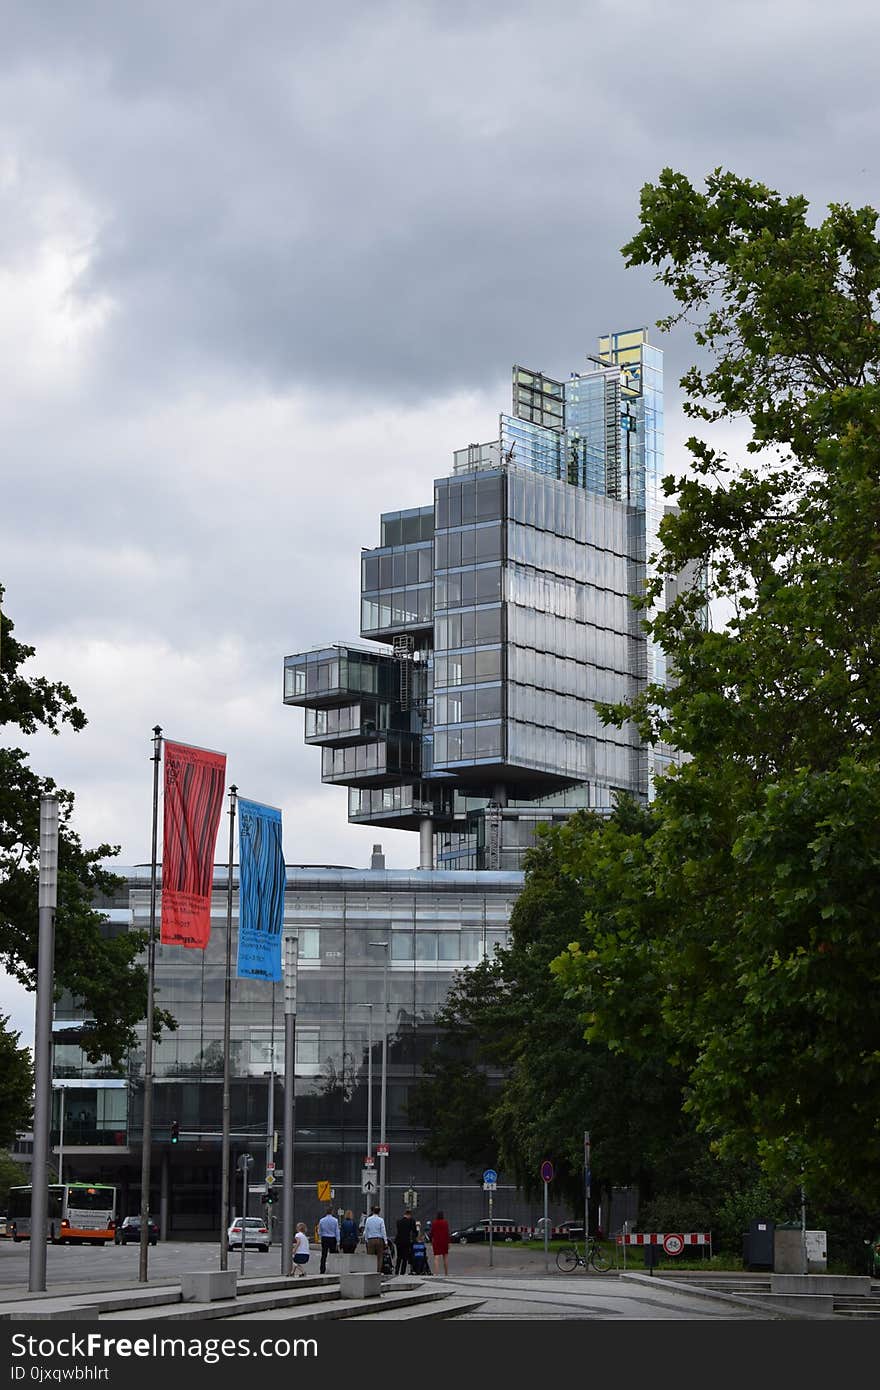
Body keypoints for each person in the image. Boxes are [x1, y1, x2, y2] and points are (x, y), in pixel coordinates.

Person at [362, 1203, 388, 1274]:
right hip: (379, 1240)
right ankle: (378, 1271)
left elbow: (366, 1230)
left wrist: (366, 1240)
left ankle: (371, 1271)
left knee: (370, 1257)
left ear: (372, 1211)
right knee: (380, 1257)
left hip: (371, 1239)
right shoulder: (381, 1220)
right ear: (379, 1212)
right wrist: (385, 1241)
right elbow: (383, 1231)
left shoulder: (368, 1220)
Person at [317, 1205, 340, 1273]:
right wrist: (338, 1241)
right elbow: (337, 1231)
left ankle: (322, 1269)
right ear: (332, 1212)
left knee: (324, 1254)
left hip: (324, 1238)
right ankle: (333, 1268)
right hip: (332, 1238)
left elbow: (319, 1231)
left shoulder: (322, 1220)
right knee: (333, 1254)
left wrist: (320, 1238)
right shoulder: (335, 1220)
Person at [395, 1207, 417, 1275]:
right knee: (405, 1258)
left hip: (398, 1241)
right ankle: (402, 1272)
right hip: (406, 1242)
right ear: (409, 1215)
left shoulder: (398, 1221)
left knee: (399, 1257)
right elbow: (414, 1231)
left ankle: (396, 1271)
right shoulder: (411, 1221)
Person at [430, 1210, 450, 1276]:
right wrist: (448, 1242)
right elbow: (447, 1233)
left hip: (436, 1241)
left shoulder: (434, 1223)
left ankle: (436, 1273)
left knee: (436, 1257)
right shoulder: (445, 1223)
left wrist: (431, 1240)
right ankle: (446, 1273)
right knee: (445, 1257)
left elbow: (432, 1233)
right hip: (444, 1241)